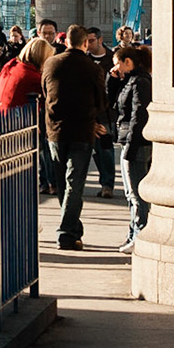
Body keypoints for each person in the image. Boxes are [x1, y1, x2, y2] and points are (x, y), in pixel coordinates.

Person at [43, 30, 109, 250]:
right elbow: (101, 101)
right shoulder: (92, 68)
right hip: (81, 131)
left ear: (66, 41)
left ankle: (71, 228)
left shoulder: (51, 64)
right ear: (84, 44)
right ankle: (67, 232)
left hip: (55, 131)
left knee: (63, 182)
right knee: (75, 183)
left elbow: (45, 93)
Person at [0, 37, 55, 190]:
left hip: (0, 116)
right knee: (43, 148)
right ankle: (50, 182)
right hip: (18, 119)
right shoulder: (33, 76)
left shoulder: (12, 66)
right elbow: (50, 96)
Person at [114, 45, 154, 253]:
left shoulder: (140, 82)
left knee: (136, 193)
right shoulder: (131, 80)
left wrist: (130, 144)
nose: (116, 68)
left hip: (135, 143)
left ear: (127, 61)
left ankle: (139, 232)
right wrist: (114, 80)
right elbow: (115, 104)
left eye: (118, 63)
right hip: (130, 140)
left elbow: (138, 115)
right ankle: (134, 232)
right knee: (132, 192)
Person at [80, 27, 117, 196]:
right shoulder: (83, 60)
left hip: (106, 112)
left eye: (92, 40)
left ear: (100, 40)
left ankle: (107, 184)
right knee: (93, 149)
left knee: (106, 149)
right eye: (86, 41)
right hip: (88, 111)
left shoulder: (112, 59)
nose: (88, 44)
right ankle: (103, 181)